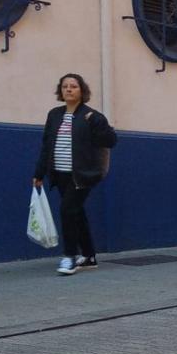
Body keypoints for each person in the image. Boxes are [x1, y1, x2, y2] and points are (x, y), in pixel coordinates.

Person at [33, 73, 117, 275]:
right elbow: (46, 146)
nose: (69, 89)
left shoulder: (92, 116)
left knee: (67, 210)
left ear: (82, 91)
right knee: (76, 212)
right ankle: (89, 256)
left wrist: (95, 124)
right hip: (60, 173)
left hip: (82, 174)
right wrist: (39, 173)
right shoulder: (54, 115)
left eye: (73, 86)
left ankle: (69, 256)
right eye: (65, 86)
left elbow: (110, 141)